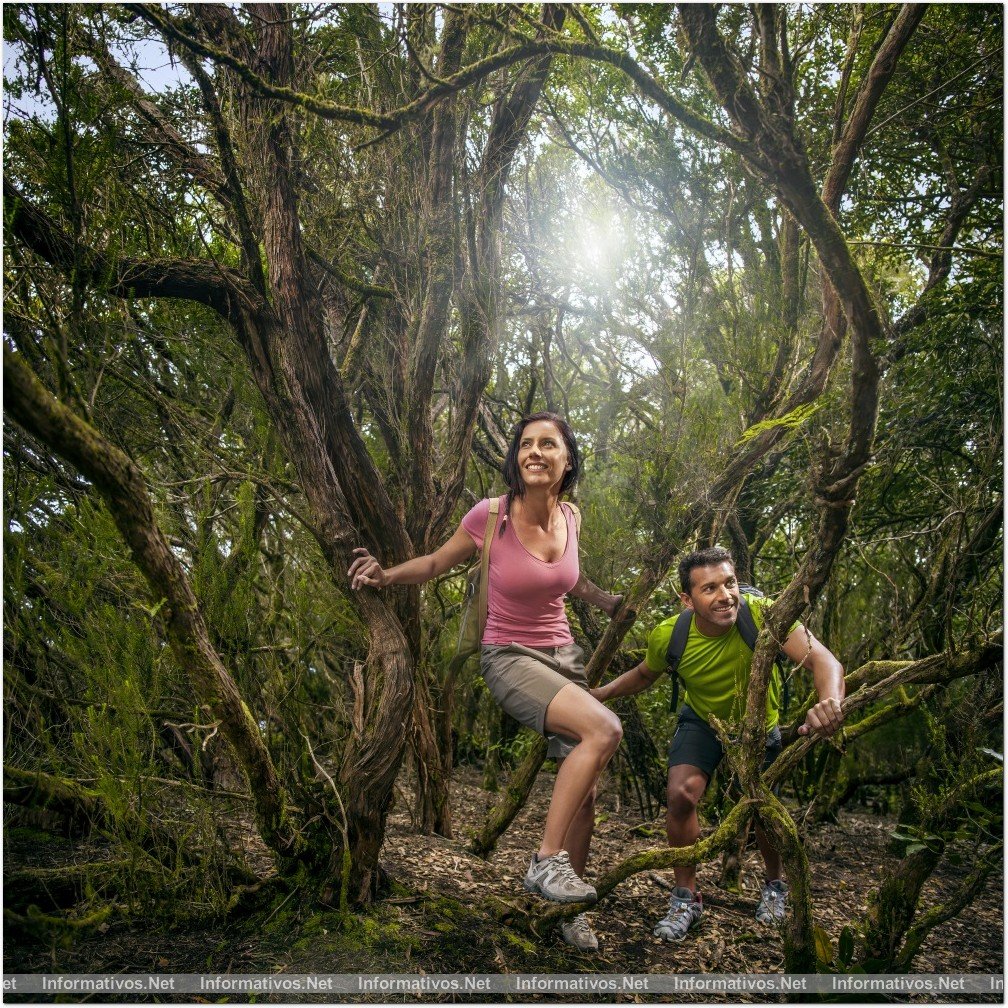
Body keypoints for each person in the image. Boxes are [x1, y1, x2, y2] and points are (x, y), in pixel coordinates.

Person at [349, 412, 624, 953]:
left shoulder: (571, 515)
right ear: (516, 457)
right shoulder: (491, 515)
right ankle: (545, 862)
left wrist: (608, 602)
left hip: (564, 655)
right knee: (605, 731)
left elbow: (568, 580)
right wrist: (385, 575)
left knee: (587, 793)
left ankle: (567, 911)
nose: (535, 452)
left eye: (549, 444)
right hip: (507, 654)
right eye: (527, 444)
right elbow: (433, 563)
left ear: (568, 459)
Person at [590, 546, 844, 941]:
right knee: (680, 795)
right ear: (687, 600)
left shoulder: (765, 615)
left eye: (730, 583)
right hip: (703, 722)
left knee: (763, 811)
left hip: (759, 727)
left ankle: (775, 888)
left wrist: (829, 703)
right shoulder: (670, 635)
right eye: (709, 589)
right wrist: (602, 693)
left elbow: (825, 662)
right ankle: (686, 898)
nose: (725, 595)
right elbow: (645, 674)